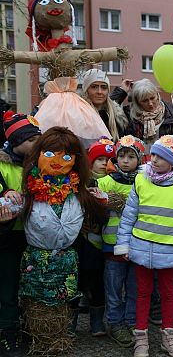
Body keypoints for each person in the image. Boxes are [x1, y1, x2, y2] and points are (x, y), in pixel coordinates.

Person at [19, 127, 107, 355]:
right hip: (37, 258)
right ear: (38, 155)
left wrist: (100, 203)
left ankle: (64, 335)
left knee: (64, 301)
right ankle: (38, 340)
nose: (57, 161)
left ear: (75, 161)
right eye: (50, 154)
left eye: (66, 156)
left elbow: (101, 216)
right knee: (38, 306)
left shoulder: (78, 191)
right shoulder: (29, 191)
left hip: (66, 257)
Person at [114, 135, 173, 357]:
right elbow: (128, 217)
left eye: (161, 156)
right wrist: (123, 245)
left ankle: (168, 339)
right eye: (153, 154)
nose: (154, 159)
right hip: (141, 248)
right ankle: (141, 339)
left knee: (168, 294)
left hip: (170, 251)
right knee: (142, 293)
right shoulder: (141, 181)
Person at [97, 135, 145, 348]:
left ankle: (132, 320)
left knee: (134, 288)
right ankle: (115, 323)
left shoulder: (145, 182)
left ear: (139, 160)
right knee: (114, 288)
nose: (125, 160)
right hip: (112, 245)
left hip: (137, 246)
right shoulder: (104, 182)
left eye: (131, 156)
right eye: (122, 156)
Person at [0, 111, 41, 356]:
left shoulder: (37, 164)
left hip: (32, 236)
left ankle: (26, 327)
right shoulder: (2, 167)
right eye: (32, 140)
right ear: (16, 141)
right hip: (6, 238)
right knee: (7, 287)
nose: (38, 144)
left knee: (27, 285)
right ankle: (7, 334)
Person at [70, 139, 117, 337]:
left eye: (108, 159)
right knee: (76, 282)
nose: (104, 163)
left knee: (98, 284)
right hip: (80, 242)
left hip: (101, 244)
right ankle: (70, 323)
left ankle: (97, 321)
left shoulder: (114, 183)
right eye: (99, 159)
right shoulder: (79, 182)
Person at [111, 79, 173, 153]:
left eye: (152, 98)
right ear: (137, 102)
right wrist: (121, 92)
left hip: (165, 165)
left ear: (157, 95)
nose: (150, 103)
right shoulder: (127, 115)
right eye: (145, 101)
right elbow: (108, 111)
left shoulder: (172, 115)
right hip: (135, 165)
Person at [81, 69, 130, 141]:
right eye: (94, 87)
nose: (99, 92)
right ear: (86, 90)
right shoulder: (79, 114)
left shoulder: (117, 116)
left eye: (104, 87)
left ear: (108, 91)